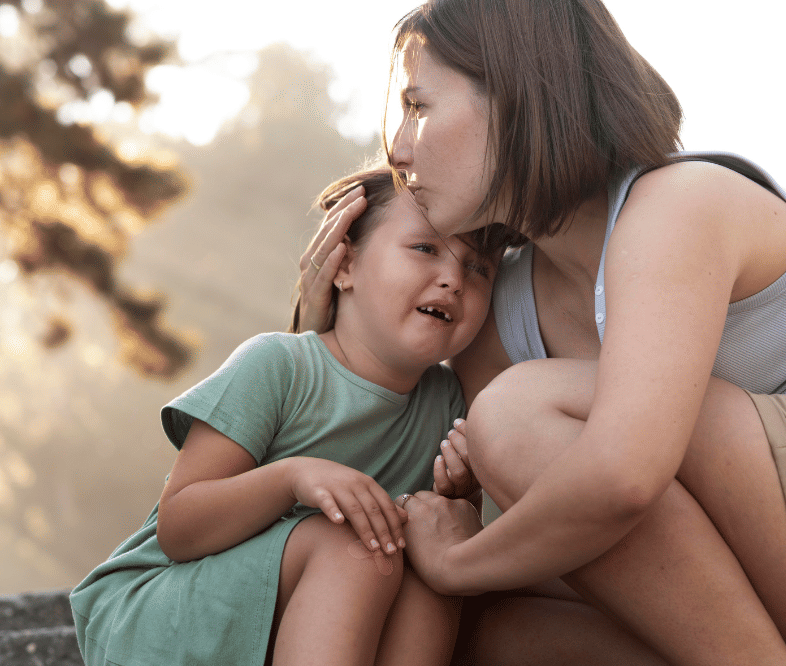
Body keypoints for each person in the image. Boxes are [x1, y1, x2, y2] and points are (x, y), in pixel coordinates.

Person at [295, 2, 786, 665]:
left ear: (516, 101)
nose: (398, 145)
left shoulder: (679, 206)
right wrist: (329, 328)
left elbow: (620, 478)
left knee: (516, 420)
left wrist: (455, 565)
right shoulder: (500, 318)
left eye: (419, 106)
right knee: (502, 632)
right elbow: (545, 529)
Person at [69, 165, 510, 666]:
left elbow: (449, 532)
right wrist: (292, 477)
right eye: (426, 249)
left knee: (431, 567)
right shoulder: (277, 365)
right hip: (164, 606)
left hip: (314, 613)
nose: (454, 279)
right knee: (359, 548)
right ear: (343, 266)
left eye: (478, 268)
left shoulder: (449, 402)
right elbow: (179, 527)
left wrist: (456, 496)